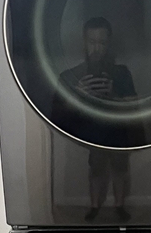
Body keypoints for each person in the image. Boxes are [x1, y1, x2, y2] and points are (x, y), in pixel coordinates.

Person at [54, 17, 136, 222]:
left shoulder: (121, 73)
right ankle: (94, 207)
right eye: (92, 42)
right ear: (84, 42)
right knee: (96, 168)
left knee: (120, 168)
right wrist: (78, 94)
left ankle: (119, 206)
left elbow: (134, 105)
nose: (96, 48)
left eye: (102, 42)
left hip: (118, 128)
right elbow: (57, 114)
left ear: (109, 44)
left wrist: (113, 94)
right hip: (92, 130)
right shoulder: (72, 76)